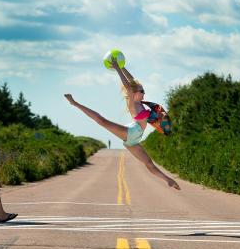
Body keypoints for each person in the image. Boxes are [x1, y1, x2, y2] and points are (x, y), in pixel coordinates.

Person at [64, 58, 180, 189]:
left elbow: (131, 81)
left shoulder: (141, 104)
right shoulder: (133, 103)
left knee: (149, 163)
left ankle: (168, 180)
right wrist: (117, 69)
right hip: (131, 132)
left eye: (144, 91)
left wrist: (122, 67)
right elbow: (128, 86)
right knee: (101, 121)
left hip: (134, 140)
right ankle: (74, 103)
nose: (144, 93)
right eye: (142, 91)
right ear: (134, 93)